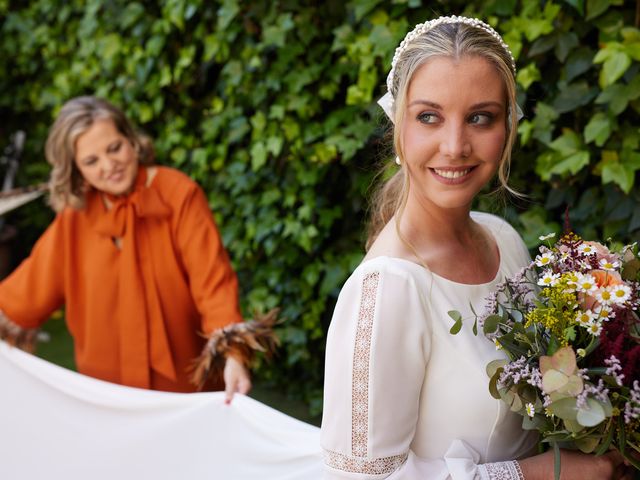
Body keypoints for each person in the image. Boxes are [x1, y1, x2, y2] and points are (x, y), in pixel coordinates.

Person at [320, 16, 633, 480]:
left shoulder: (502, 240)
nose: (455, 145)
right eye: (429, 117)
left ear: (508, 125)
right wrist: (545, 473)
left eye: (479, 117)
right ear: (397, 126)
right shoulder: (386, 289)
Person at [0, 96, 276, 401]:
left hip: (182, 392)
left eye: (114, 148)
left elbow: (213, 284)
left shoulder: (179, 194)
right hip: (104, 393)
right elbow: (28, 289)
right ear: (77, 170)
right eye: (91, 161)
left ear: (131, 140)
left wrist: (233, 354)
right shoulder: (74, 218)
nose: (109, 166)